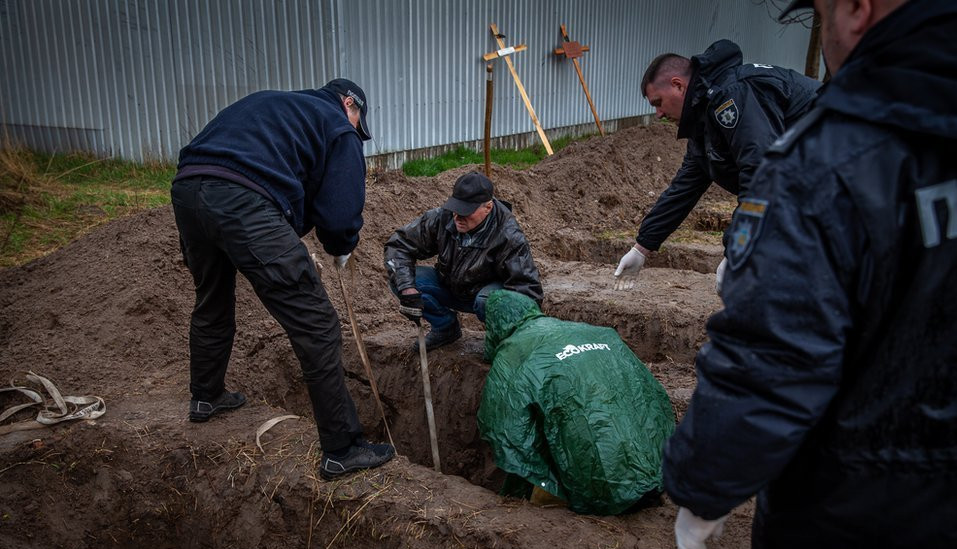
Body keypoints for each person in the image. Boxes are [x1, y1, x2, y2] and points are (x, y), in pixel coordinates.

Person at [662, 0, 957, 547]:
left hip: (856, 510)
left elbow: (772, 357)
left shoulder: (832, 160)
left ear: (855, 10)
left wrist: (700, 488)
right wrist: (644, 243)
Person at [170, 78, 394, 480]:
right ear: (349, 104)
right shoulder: (338, 125)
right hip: (242, 198)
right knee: (317, 323)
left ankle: (206, 397)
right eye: (358, 121)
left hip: (188, 190)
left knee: (212, 297)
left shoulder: (279, 107)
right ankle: (342, 449)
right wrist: (341, 245)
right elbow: (339, 213)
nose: (356, 131)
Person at [613, 39, 821, 290]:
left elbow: (761, 174)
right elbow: (684, 189)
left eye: (658, 102)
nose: (658, 114)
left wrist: (735, 251)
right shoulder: (705, 119)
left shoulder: (734, 96)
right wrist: (642, 247)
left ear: (678, 85)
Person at [477, 290, 675, 515]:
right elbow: (652, 393)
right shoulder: (598, 332)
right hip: (658, 467)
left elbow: (503, 426)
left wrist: (532, 477)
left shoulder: (512, 352)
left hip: (598, 488)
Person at [384, 172, 543, 351]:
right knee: (402, 279)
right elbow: (399, 245)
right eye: (456, 208)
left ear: (488, 207)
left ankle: (502, 341)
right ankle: (445, 327)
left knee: (490, 301)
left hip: (484, 297)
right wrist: (408, 289)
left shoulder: (508, 235)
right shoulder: (442, 217)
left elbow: (528, 290)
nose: (457, 217)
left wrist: (518, 330)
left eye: (466, 211)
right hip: (452, 287)